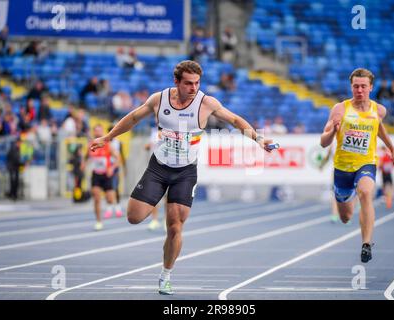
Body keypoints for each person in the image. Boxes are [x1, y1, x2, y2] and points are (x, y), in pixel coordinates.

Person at [90, 60, 275, 295]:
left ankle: (166, 275)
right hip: (158, 167)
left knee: (175, 226)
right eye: (188, 83)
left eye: (197, 83)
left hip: (185, 171)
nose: (193, 88)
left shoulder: (206, 103)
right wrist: (107, 138)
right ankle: (154, 199)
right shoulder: (159, 99)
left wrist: (259, 140)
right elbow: (133, 117)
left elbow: (236, 121)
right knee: (134, 217)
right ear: (176, 81)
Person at [320, 68, 394, 263]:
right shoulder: (340, 109)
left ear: (371, 87)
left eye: (363, 86)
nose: (359, 90)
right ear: (351, 87)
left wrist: (392, 148)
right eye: (356, 86)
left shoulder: (379, 110)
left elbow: (379, 128)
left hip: (366, 163)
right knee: (346, 216)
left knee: (366, 192)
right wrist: (334, 131)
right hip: (342, 167)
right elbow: (323, 142)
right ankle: (348, 196)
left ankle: (366, 244)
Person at [85, 125, 121, 231]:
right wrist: (84, 164)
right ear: (93, 132)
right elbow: (86, 156)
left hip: (107, 175)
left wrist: (112, 168)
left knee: (110, 198)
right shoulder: (90, 145)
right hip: (96, 174)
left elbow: (118, 158)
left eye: (100, 131)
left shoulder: (108, 145)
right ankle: (98, 221)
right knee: (96, 198)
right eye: (96, 131)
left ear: (102, 132)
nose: (98, 133)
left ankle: (110, 205)